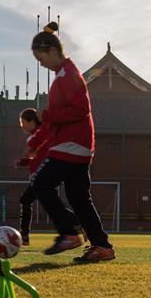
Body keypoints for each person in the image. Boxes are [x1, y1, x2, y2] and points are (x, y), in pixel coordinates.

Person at [29, 23, 114, 262]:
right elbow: (57, 118)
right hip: (79, 145)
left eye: (40, 57)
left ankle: (69, 232)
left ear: (52, 51)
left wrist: (47, 116)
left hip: (72, 143)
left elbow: (81, 109)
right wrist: (35, 143)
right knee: (79, 198)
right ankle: (102, 246)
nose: (41, 63)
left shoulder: (68, 74)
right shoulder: (63, 75)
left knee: (41, 184)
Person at [13, 108, 47, 246]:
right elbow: (36, 156)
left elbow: (40, 155)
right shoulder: (37, 134)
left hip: (42, 174)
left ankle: (24, 236)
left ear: (31, 121)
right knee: (48, 203)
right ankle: (77, 223)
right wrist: (23, 162)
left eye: (22, 122)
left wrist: (25, 158)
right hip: (41, 174)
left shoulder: (39, 134)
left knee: (26, 200)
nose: (21, 126)